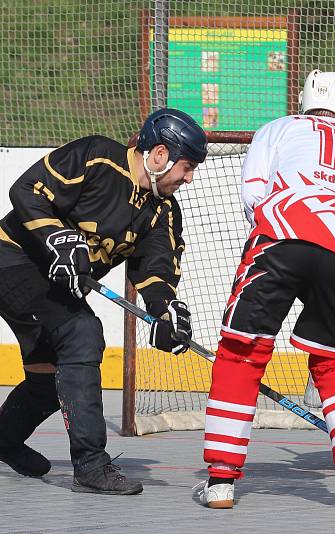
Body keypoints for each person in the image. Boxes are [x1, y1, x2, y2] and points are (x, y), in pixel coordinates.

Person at [198, 69, 335, 510]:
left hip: (282, 233)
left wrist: (281, 244)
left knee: (241, 353)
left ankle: (222, 480)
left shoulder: (277, 128)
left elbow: (253, 192)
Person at [0, 108, 207, 494]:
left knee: (48, 381)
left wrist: (164, 313)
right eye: (187, 166)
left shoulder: (162, 212)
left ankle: (4, 440)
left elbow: (155, 272)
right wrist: (57, 238)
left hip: (56, 289)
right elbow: (27, 190)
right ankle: (91, 465)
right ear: (160, 155)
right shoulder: (96, 156)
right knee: (82, 332)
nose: (189, 177)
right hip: (12, 259)